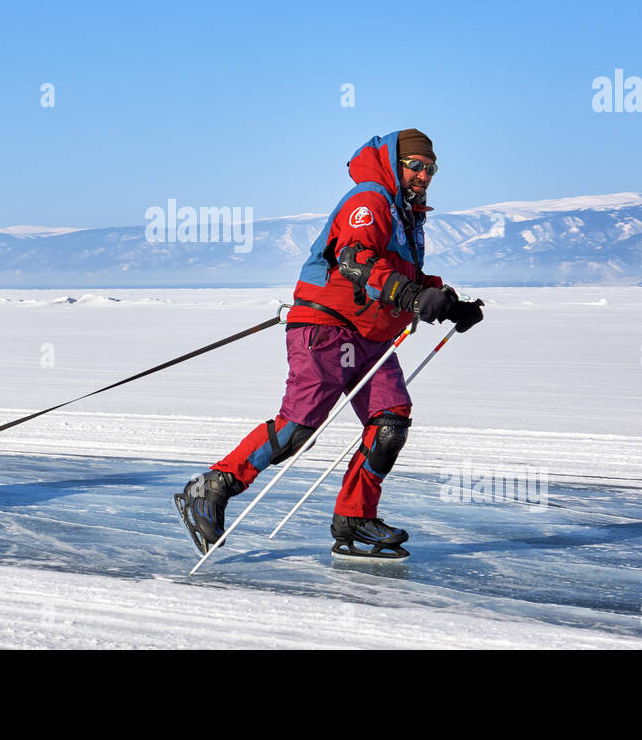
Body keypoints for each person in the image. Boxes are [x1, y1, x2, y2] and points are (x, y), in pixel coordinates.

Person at [176, 129, 483, 559]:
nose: (424, 175)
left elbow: (404, 274)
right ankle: (212, 486)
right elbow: (356, 260)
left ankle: (355, 519)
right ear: (395, 164)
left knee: (390, 422)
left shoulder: (407, 215)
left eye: (431, 168)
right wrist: (413, 298)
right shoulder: (370, 200)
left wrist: (449, 303)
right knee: (299, 427)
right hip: (327, 327)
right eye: (416, 165)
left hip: (371, 336)